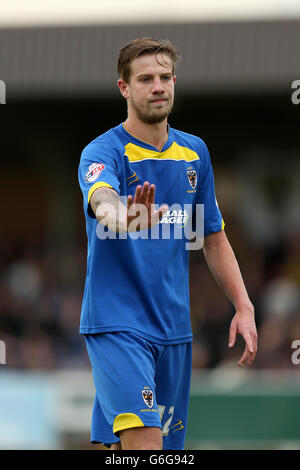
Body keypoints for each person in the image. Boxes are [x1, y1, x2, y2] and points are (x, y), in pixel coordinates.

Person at [78, 37, 258, 451]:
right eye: (145, 79)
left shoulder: (195, 153)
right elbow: (102, 199)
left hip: (175, 330)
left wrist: (244, 306)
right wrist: (122, 215)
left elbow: (213, 238)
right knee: (146, 445)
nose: (157, 86)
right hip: (117, 326)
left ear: (174, 82)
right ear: (124, 87)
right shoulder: (103, 151)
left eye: (164, 77)